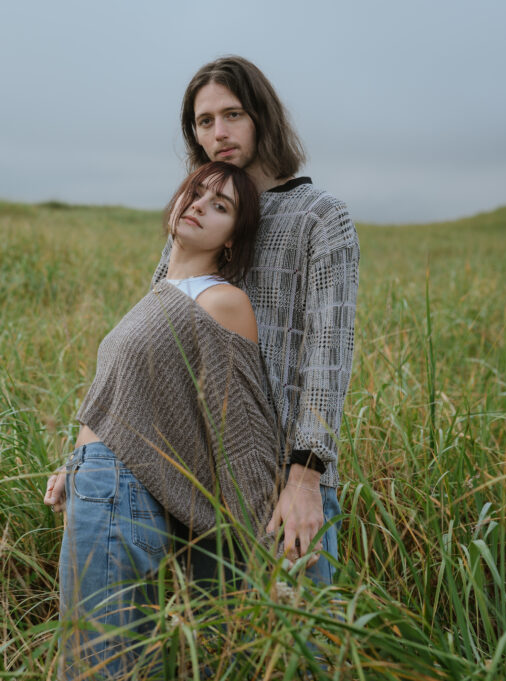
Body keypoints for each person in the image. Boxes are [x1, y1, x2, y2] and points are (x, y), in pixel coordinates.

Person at [45, 161, 281, 678]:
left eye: (220, 207)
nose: (199, 205)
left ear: (231, 240)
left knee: (98, 663)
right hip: (99, 481)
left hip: (124, 490)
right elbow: (120, 399)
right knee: (103, 655)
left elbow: (240, 422)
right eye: (195, 193)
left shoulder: (222, 300)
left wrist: (268, 525)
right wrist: (73, 465)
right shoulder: (159, 294)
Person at [152, 55, 360, 584]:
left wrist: (305, 480)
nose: (219, 133)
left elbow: (328, 355)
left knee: (300, 652)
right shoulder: (198, 216)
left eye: (233, 114)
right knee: (212, 653)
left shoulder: (319, 214)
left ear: (261, 116)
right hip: (198, 483)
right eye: (204, 122)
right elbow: (146, 344)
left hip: (286, 486)